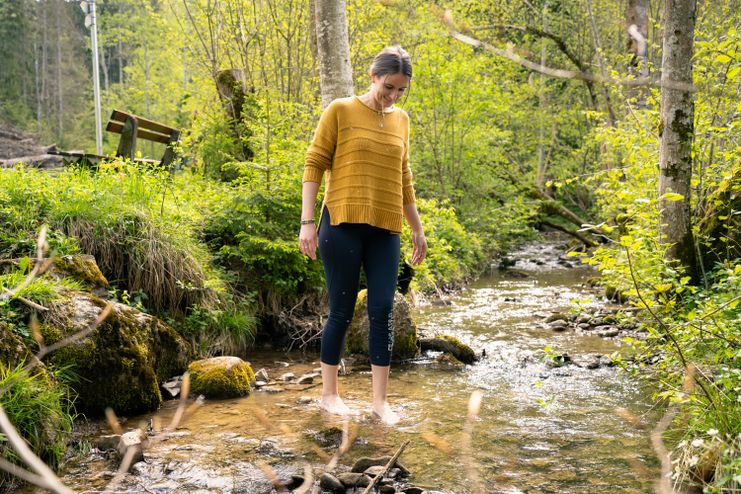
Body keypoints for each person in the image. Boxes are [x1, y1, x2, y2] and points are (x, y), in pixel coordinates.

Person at [298, 46, 427, 425]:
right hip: (340, 224)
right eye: (389, 87)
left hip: (386, 229)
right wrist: (307, 223)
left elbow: (404, 180)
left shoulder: (402, 120)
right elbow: (314, 163)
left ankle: (380, 402)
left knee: (383, 309)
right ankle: (329, 394)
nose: (393, 96)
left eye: (401, 90)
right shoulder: (341, 110)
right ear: (373, 76)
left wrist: (417, 230)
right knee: (340, 308)